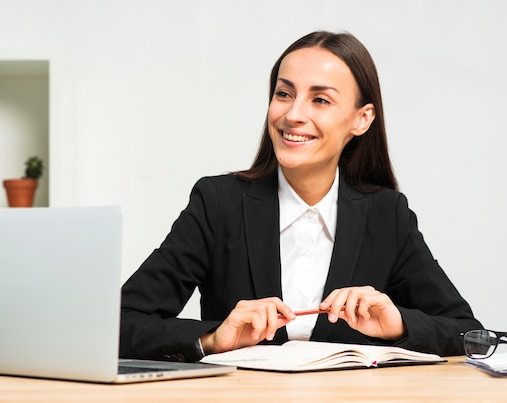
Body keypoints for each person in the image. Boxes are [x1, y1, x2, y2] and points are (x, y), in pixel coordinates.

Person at [119, 30, 482, 363]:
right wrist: (213, 338)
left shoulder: (388, 215)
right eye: (284, 93)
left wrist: (399, 323)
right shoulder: (218, 203)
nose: (293, 114)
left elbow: (469, 333)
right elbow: (120, 323)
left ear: (362, 119)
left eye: (320, 99)